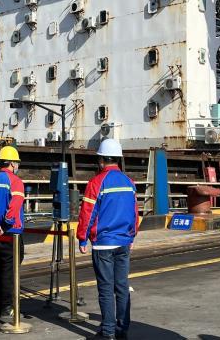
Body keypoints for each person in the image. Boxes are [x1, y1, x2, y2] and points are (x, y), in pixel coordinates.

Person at [77, 139, 139, 340]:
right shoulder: (129, 182)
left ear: (101, 160)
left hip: (103, 243)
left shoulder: (96, 182)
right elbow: (134, 213)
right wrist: (132, 235)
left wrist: (82, 238)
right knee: (122, 287)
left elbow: (88, 213)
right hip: (124, 242)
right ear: (118, 159)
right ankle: (122, 329)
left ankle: (108, 332)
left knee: (105, 288)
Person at [0, 145, 26, 319]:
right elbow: (14, 207)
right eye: (17, 162)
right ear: (12, 163)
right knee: (10, 268)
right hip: (11, 232)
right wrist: (6, 224)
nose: (18, 165)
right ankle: (7, 307)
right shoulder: (15, 181)